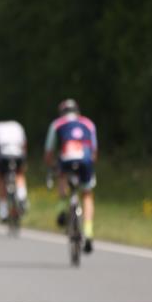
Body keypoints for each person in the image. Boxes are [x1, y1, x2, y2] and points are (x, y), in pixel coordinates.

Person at [44, 99, 98, 253]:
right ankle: (88, 233)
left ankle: (62, 209)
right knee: (87, 194)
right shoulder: (88, 123)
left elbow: (49, 151)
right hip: (85, 159)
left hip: (67, 158)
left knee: (61, 175)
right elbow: (94, 151)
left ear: (62, 113)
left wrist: (52, 167)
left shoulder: (57, 124)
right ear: (77, 111)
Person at [0, 120, 28, 222]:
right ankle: (22, 196)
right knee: (19, 173)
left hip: (3, 154)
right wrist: (24, 163)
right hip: (18, 153)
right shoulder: (17, 125)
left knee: (0, 177)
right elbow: (24, 145)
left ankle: (3, 210)